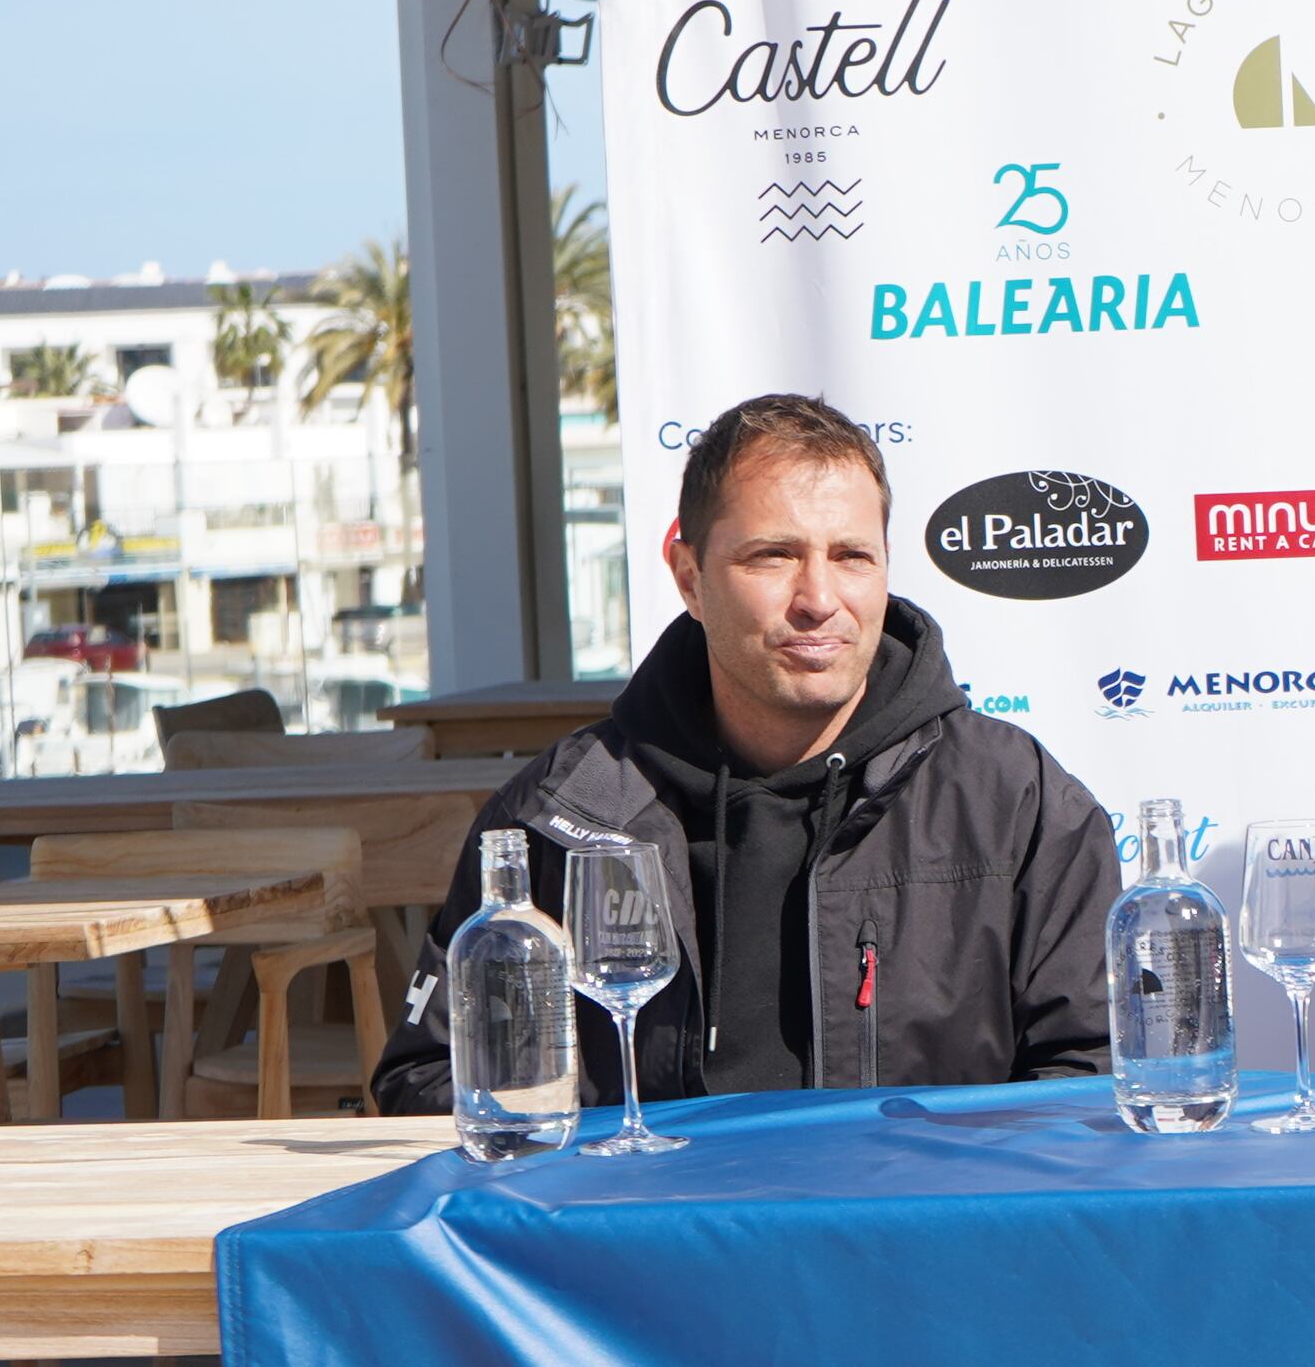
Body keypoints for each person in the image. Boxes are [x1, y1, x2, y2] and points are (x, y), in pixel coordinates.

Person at [370, 394, 1121, 1112]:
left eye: (853, 556)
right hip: (651, 1237)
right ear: (689, 576)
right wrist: (599, 1169)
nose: (819, 597)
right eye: (774, 556)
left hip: (922, 1237)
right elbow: (431, 1080)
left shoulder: (1020, 805)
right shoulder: (560, 816)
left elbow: (1092, 1080)